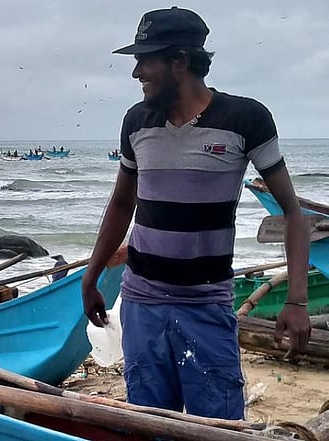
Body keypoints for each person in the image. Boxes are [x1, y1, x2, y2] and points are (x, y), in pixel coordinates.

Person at [81, 7, 310, 420]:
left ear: (180, 61)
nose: (136, 72)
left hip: (205, 306)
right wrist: (91, 275)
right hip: (141, 305)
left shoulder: (245, 119)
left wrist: (296, 300)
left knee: (217, 426)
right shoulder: (137, 121)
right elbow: (121, 203)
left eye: (145, 59)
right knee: (150, 423)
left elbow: (293, 213)